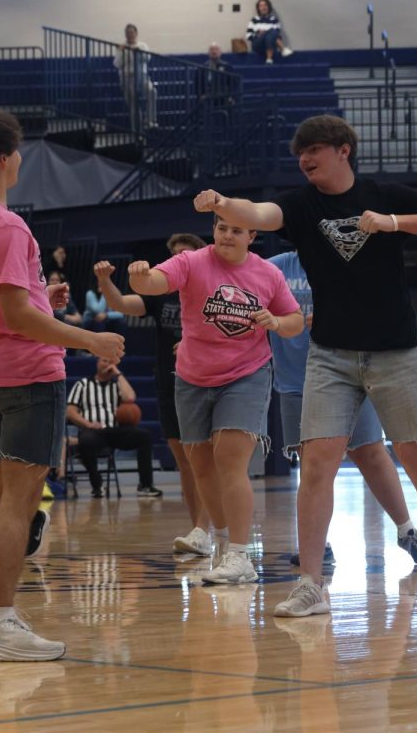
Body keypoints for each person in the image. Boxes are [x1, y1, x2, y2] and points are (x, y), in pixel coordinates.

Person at [195, 114, 417, 617]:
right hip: (331, 357)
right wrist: (221, 203)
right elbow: (257, 212)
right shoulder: (302, 205)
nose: (304, 159)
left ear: (343, 150)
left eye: (315, 150)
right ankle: (310, 585)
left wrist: (393, 224)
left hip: (396, 352)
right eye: (300, 152)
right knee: (318, 464)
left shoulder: (384, 194)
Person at [0, 108, 124, 661]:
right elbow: (17, 315)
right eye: (16, 149)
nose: (19, 157)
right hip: (26, 373)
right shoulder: (6, 225)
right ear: (2, 159)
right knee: (20, 500)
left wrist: (42, 300)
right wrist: (87, 340)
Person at [129, 217, 301, 585]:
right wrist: (140, 276)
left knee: (229, 458)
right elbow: (155, 282)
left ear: (251, 236)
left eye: (236, 230)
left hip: (247, 373)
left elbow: (295, 320)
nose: (227, 235)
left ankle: (239, 553)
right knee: (201, 464)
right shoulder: (193, 261)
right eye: (222, 228)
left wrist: (275, 321)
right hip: (191, 376)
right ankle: (222, 541)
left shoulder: (267, 274)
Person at [269, 249, 417, 568]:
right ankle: (317, 544)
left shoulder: (347, 259)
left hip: (351, 372)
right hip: (296, 381)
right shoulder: (274, 269)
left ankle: (406, 529)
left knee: (370, 451)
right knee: (312, 460)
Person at [93, 234, 217, 555]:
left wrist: (196, 344)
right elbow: (120, 303)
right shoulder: (161, 293)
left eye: (186, 255)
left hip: (207, 380)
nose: (181, 261)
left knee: (205, 459)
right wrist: (106, 281)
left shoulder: (214, 289)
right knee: (185, 460)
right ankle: (199, 531)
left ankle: (210, 528)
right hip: (169, 381)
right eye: (175, 256)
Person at [66, 356, 161, 498]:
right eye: (104, 360)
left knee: (144, 436)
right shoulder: (83, 384)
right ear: (97, 363)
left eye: (111, 362)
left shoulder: (117, 385)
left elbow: (130, 398)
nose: (107, 364)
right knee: (86, 439)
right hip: (93, 431)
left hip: (115, 431)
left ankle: (145, 485)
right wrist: (88, 424)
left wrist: (119, 374)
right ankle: (97, 485)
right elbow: (70, 411)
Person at [114, 23, 157, 131]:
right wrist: (122, 52)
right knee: (134, 105)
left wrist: (139, 52)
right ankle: (137, 132)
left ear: (136, 33)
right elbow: (117, 64)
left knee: (152, 92)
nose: (130, 35)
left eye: (132, 32)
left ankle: (150, 120)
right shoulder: (121, 47)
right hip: (127, 77)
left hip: (142, 76)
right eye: (128, 33)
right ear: (125, 35)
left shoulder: (142, 45)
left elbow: (147, 58)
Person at [247, 0, 294, 65]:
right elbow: (248, 36)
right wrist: (258, 33)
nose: (263, 8)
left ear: (268, 7)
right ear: (258, 8)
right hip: (257, 44)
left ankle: (269, 59)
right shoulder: (254, 20)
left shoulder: (274, 19)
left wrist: (265, 33)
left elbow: (277, 34)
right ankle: (283, 49)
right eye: (261, 6)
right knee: (271, 31)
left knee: (271, 34)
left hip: (270, 43)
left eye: (265, 5)